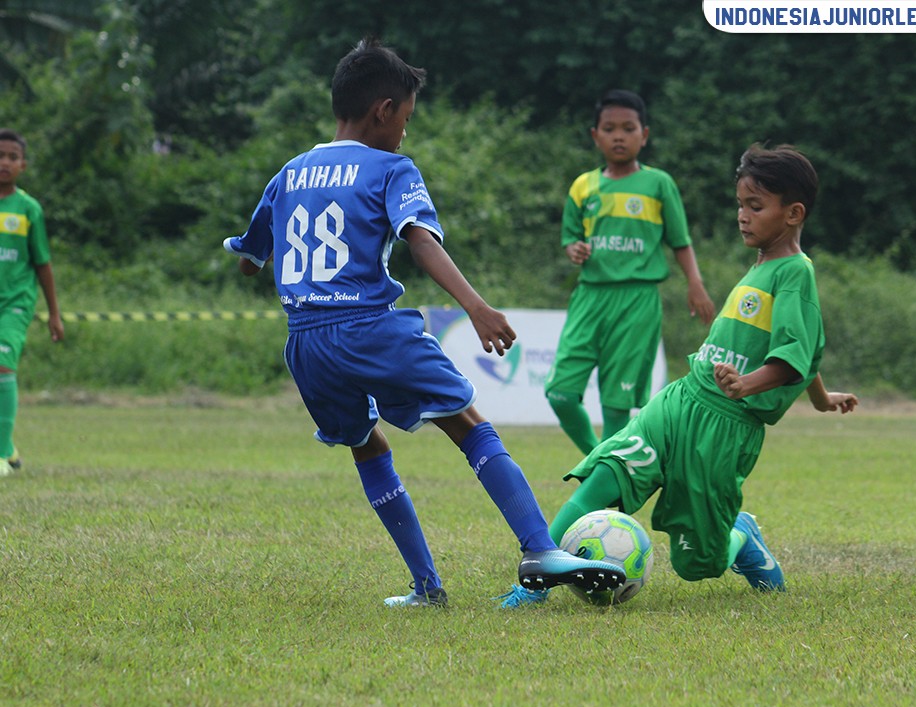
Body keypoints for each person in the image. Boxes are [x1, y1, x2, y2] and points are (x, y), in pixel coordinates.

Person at [222, 39, 626, 608]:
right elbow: (421, 240)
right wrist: (476, 307)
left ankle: (426, 587)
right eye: (406, 120)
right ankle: (539, 547)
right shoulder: (391, 167)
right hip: (368, 325)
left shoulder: (289, 173)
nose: (405, 133)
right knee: (468, 422)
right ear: (384, 110)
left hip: (306, 342)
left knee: (367, 444)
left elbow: (248, 259)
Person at [500, 144, 858, 607]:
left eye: (755, 206)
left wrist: (750, 385)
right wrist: (821, 397)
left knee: (699, 564)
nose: (742, 216)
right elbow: (802, 350)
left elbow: (796, 352)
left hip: (725, 429)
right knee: (605, 474)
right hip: (680, 402)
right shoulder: (762, 266)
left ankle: (742, 537)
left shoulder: (793, 274)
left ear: (793, 213)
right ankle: (532, 586)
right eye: (740, 205)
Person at [545, 89, 716, 456]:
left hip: (638, 299)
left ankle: (609, 483)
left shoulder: (658, 185)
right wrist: (573, 249)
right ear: (595, 135)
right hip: (590, 297)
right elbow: (571, 238)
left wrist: (695, 284)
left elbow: (680, 241)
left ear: (644, 135)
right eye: (609, 128)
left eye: (628, 128)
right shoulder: (583, 186)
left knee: (616, 405)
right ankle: (599, 461)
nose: (619, 136)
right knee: (559, 392)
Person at [0, 129, 64, 477]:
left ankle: (0, 453)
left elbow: (42, 263)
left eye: (11, 157)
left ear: (22, 165)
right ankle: (8, 448)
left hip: (15, 303)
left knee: (2, 366)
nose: (4, 163)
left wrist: (54, 314)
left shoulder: (28, 209)